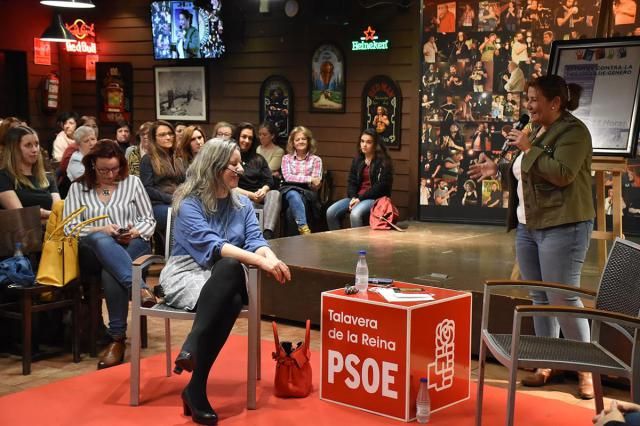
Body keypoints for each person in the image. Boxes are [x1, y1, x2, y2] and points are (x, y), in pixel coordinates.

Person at [469, 75, 596, 399]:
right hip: (529, 227)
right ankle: (547, 362)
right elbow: (528, 172)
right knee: (540, 297)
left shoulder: (574, 132)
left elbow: (562, 174)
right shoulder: (538, 132)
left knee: (562, 298)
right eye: (527, 99)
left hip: (563, 226)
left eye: (534, 99)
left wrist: (529, 147)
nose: (528, 105)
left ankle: (587, 370)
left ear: (555, 103)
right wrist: (496, 171)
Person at [157, 138, 291, 425]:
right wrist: (261, 263)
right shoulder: (188, 203)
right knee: (229, 289)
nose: (240, 169)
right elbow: (212, 246)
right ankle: (195, 389)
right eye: (234, 164)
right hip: (188, 272)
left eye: (239, 163)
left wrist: (272, 259)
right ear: (215, 167)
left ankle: (192, 349)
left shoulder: (241, 203)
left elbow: (256, 241)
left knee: (229, 269)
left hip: (226, 275)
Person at [64, 139, 156, 369]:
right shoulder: (78, 187)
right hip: (91, 251)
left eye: (115, 168)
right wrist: (101, 229)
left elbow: (149, 220)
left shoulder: (132, 183)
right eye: (104, 169)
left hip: (132, 244)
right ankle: (138, 287)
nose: (110, 174)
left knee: (110, 270)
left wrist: (134, 231)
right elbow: (70, 227)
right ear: (92, 164)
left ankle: (117, 340)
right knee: (99, 239)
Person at [326, 129, 393, 230]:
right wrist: (353, 197)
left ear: (375, 145)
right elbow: (351, 182)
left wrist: (360, 199)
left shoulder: (383, 162)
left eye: (368, 142)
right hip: (356, 198)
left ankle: (358, 245)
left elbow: (381, 187)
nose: (364, 145)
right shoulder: (358, 160)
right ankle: (338, 242)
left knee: (355, 214)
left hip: (375, 199)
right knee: (331, 212)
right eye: (362, 141)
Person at [233, 122, 282, 240]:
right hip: (240, 195)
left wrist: (264, 190)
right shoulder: (231, 158)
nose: (247, 140)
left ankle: (267, 233)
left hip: (260, 195)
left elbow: (269, 180)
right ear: (237, 137)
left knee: (275, 193)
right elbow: (228, 186)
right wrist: (251, 195)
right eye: (243, 136)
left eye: (250, 138)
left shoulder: (258, 159)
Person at [0, 126, 60, 220]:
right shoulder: (3, 177)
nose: (35, 150)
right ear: (14, 149)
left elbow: (59, 212)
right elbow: (21, 214)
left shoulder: (48, 178)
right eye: (28, 145)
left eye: (36, 144)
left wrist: (43, 213)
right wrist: (48, 215)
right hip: (24, 232)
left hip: (54, 231)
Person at [140, 120, 186, 236]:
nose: (168, 137)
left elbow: (185, 182)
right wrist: (170, 198)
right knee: (180, 213)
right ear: (154, 138)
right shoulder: (148, 159)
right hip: (157, 205)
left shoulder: (178, 158)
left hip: (179, 202)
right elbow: (147, 189)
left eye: (170, 133)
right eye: (162, 135)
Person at [279, 126, 323, 235]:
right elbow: (287, 177)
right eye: (297, 139)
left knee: (290, 212)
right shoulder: (286, 158)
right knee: (293, 194)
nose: (300, 141)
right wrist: (309, 178)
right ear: (292, 143)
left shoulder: (316, 160)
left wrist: (313, 182)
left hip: (307, 194)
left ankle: (293, 242)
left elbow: (316, 182)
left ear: (308, 141)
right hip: (288, 191)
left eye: (303, 139)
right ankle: (304, 229)